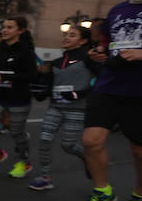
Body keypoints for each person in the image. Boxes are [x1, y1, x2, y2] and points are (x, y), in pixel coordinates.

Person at [77, 0, 142, 201]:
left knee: (141, 152)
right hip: (108, 86)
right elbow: (106, 43)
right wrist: (99, 53)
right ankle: (103, 191)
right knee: (91, 141)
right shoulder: (117, 10)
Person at [28, 26, 98, 191]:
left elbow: (100, 81)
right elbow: (50, 85)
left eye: (72, 35)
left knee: (68, 145)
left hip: (77, 108)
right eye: (66, 34)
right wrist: (42, 92)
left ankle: (89, 159)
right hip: (55, 106)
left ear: (83, 41)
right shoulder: (57, 61)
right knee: (44, 138)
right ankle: (45, 177)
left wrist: (79, 93)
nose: (66, 37)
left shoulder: (89, 59)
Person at [0, 16, 37, 178]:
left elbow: (31, 76)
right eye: (4, 27)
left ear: (20, 31)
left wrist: (6, 78)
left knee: (16, 132)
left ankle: (24, 162)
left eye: (10, 27)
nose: (4, 30)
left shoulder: (26, 51)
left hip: (19, 98)